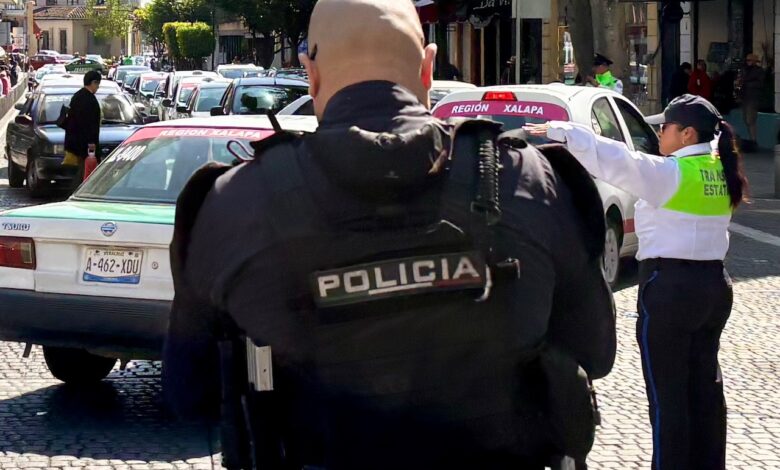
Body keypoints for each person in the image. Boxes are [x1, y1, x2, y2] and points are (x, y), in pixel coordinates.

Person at [163, 0, 616, 469]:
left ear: (310, 74)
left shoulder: (233, 203)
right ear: (428, 67)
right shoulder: (531, 180)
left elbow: (189, 393)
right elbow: (595, 352)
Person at [529, 94, 749, 470]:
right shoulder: (719, 170)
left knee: (668, 398)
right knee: (706, 390)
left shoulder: (671, 174)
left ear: (687, 134)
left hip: (670, 289)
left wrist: (562, 131)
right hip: (714, 286)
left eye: (666, 127)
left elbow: (618, 160)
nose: (659, 133)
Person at [63, 70, 102, 188]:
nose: (98, 87)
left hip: (74, 143)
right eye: (98, 84)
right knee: (85, 173)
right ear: (93, 82)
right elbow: (90, 124)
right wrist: (92, 144)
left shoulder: (77, 96)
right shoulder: (90, 100)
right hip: (85, 145)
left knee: (80, 172)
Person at [741, 53, 765, 150]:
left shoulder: (759, 71)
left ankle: (753, 140)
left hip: (753, 98)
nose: (748, 62)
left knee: (750, 120)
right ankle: (752, 140)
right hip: (746, 97)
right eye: (747, 60)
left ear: (755, 61)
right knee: (747, 120)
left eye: (750, 60)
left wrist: (747, 84)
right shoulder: (745, 70)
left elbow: (760, 84)